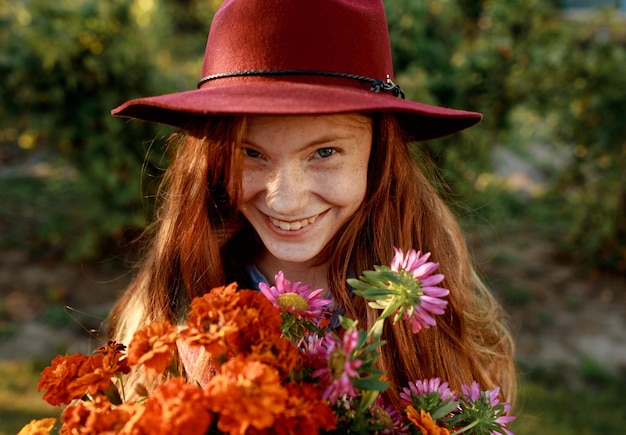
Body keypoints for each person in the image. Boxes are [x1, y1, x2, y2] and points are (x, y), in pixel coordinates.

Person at [108, 0, 516, 409]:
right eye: (251, 153)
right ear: (212, 160)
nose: (285, 200)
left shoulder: (430, 305)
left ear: (379, 156)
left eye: (324, 152)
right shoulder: (173, 297)